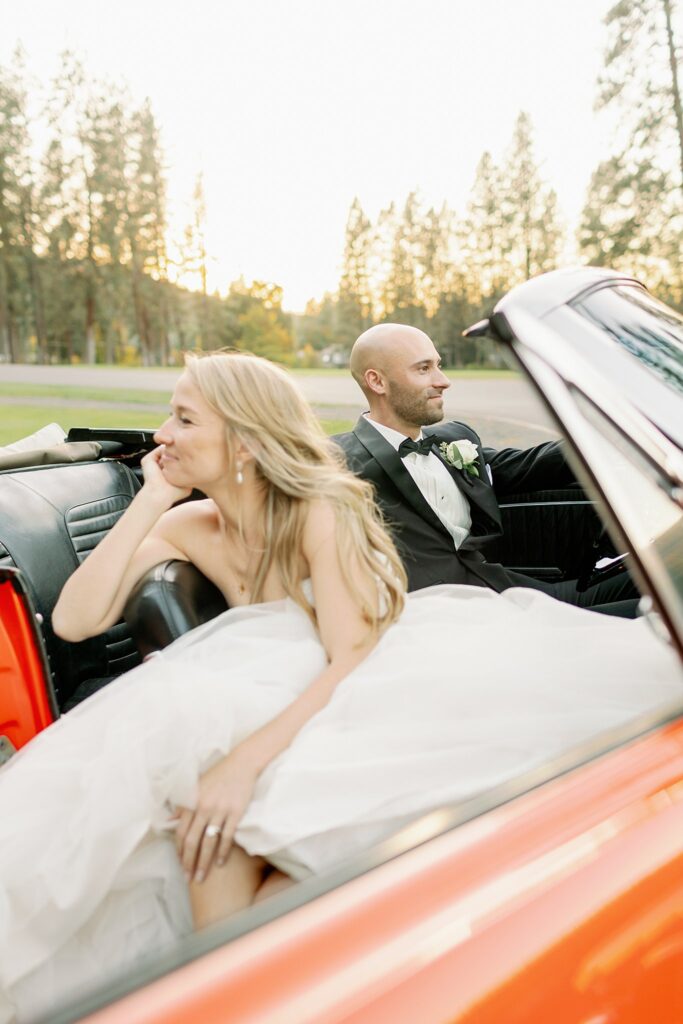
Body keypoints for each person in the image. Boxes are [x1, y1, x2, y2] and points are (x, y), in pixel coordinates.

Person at [0, 351, 679, 1024]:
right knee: (207, 833)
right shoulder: (187, 525)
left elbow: (349, 656)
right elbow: (75, 619)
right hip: (284, 701)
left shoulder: (318, 510)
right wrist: (150, 499)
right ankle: (235, 988)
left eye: (183, 419)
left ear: (241, 438)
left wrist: (243, 762)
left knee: (271, 829)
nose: (162, 435)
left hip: (370, 683)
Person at [334, 323, 639, 615]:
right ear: (377, 381)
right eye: (424, 368)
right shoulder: (336, 463)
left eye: (438, 365)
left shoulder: (455, 440)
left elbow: (532, 465)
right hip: (438, 617)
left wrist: (617, 436)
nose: (443, 380)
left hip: (503, 591)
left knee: (655, 583)